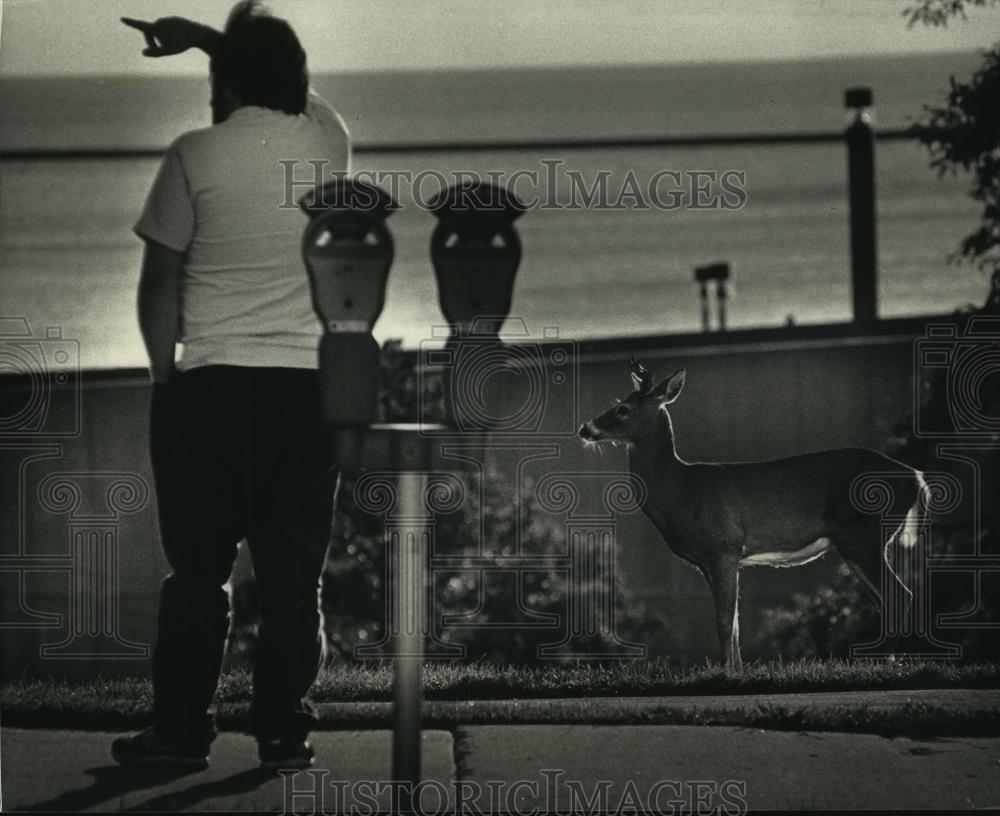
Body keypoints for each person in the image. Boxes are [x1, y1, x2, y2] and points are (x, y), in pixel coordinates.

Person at [114, 0, 350, 770]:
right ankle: (284, 732)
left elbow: (159, 286)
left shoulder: (192, 155)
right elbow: (296, 90)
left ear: (225, 82)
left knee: (198, 578)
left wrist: (162, 377)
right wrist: (220, 46)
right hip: (305, 393)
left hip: (209, 393)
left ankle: (181, 734)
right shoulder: (325, 144)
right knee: (292, 580)